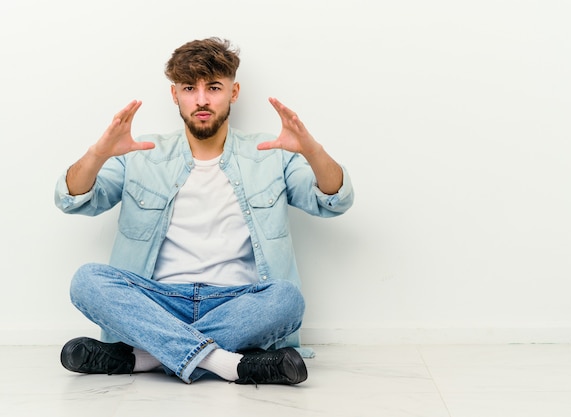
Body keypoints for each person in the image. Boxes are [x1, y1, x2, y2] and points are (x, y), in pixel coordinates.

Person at [54, 37, 354, 385]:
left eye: (213, 87)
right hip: (159, 302)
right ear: (174, 95)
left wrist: (312, 149)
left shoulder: (271, 153)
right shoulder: (139, 153)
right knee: (87, 281)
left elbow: (335, 200)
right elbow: (72, 199)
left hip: (237, 303)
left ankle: (146, 358)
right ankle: (230, 364)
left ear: (234, 91)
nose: (201, 100)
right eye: (188, 88)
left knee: (286, 298)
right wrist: (98, 153)